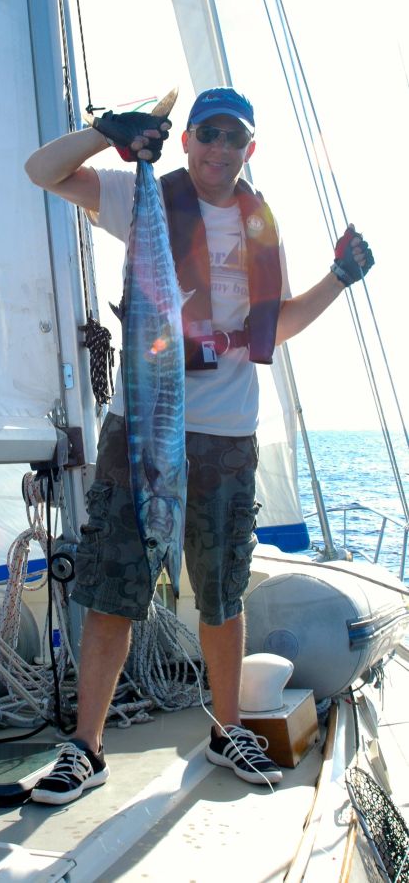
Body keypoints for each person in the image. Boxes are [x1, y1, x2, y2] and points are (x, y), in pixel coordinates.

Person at [24, 87, 374, 805]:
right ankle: (85, 748)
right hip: (145, 428)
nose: (219, 149)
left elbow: (271, 330)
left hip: (226, 438)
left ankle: (227, 728)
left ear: (251, 148)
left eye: (234, 138)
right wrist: (105, 133)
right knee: (114, 591)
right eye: (207, 134)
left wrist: (338, 279)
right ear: (185, 140)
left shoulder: (260, 225)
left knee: (221, 592)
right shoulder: (141, 191)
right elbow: (43, 171)